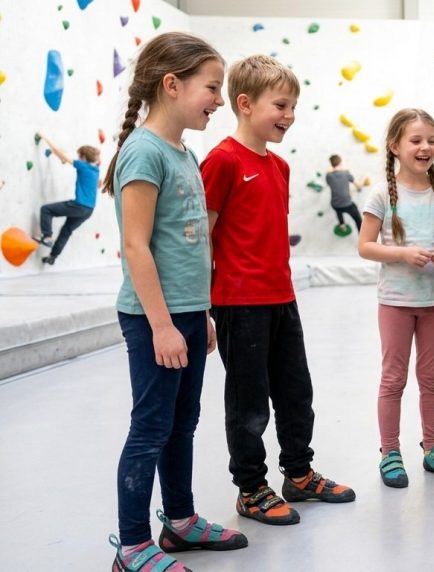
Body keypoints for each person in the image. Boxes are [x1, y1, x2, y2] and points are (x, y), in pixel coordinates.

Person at [103, 32, 247, 571]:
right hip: (152, 317)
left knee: (182, 422)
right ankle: (133, 547)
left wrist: (200, 313)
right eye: (212, 87)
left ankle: (180, 521)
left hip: (186, 312)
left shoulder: (182, 150)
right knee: (151, 427)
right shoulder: (142, 151)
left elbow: (185, 244)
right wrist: (162, 325)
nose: (218, 99)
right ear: (171, 84)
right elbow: (136, 246)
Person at [200, 54, 354, 526]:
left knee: (295, 392)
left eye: (293, 107)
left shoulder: (280, 167)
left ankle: (299, 474)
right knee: (248, 402)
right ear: (245, 104)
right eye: (281, 106)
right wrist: (203, 307)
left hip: (281, 299)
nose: (289, 116)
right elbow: (203, 237)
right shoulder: (222, 161)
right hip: (237, 304)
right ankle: (250, 488)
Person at [357, 108, 434, 488]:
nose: (426, 147)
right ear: (395, 146)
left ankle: (433, 447)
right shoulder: (381, 196)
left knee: (432, 379)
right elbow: (365, 246)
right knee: (393, 379)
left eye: (431, 140)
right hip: (396, 302)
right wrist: (403, 253)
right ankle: (390, 452)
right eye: (416, 140)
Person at [34, 133, 101, 265]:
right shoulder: (95, 169)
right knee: (66, 230)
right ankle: (53, 256)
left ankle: (47, 236)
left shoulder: (82, 165)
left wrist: (45, 137)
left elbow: (61, 154)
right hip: (89, 211)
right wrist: (96, 153)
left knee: (46, 209)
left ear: (82, 157)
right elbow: (96, 158)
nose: (78, 158)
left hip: (79, 206)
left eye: (79, 156)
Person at [327, 153, 362, 234]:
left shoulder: (328, 176)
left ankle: (342, 225)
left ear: (331, 164)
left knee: (338, 211)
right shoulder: (346, 174)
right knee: (358, 219)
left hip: (335, 205)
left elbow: (332, 183)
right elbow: (358, 186)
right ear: (340, 163)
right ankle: (362, 237)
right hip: (347, 204)